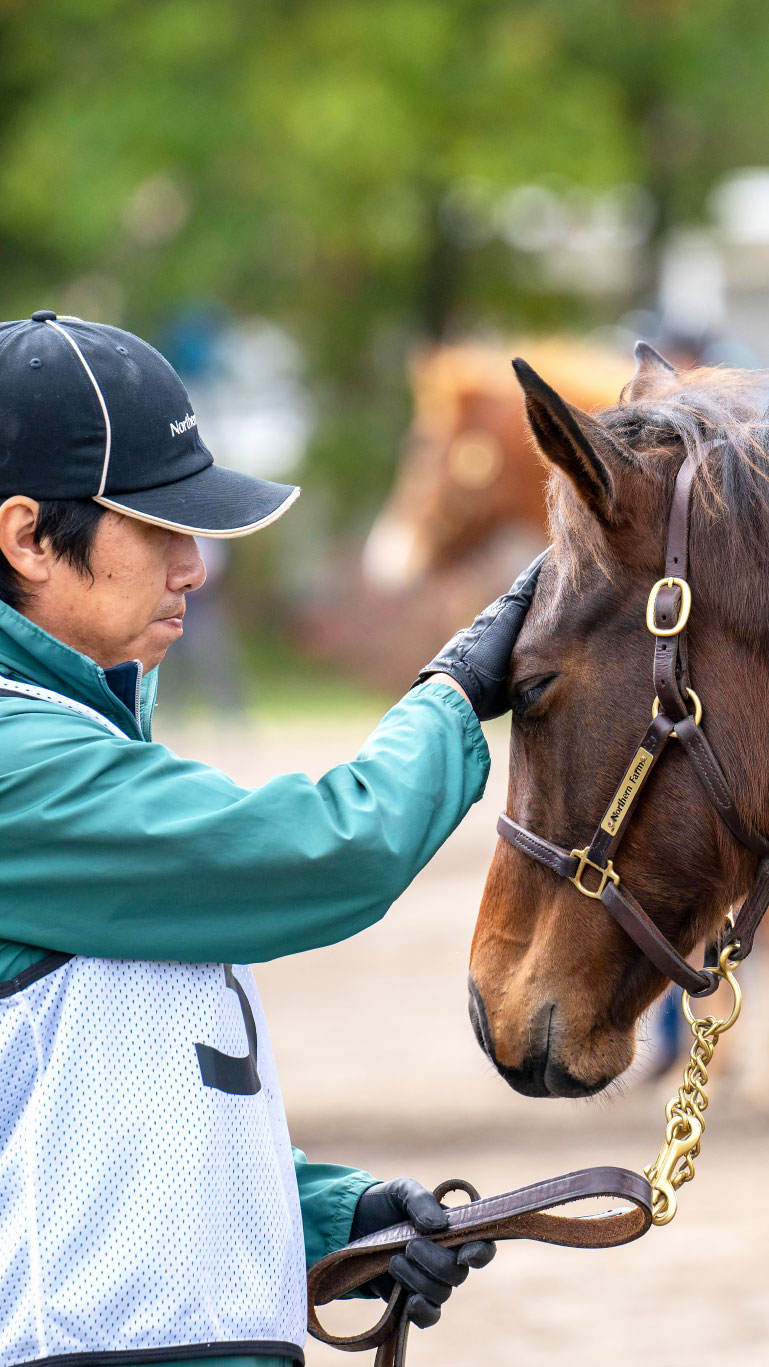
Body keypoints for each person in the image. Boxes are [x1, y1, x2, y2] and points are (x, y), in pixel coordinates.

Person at [0, 311, 544, 1367]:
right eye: (158, 527)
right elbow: (319, 850)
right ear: (23, 534)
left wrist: (328, 1216)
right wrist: (451, 692)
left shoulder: (65, 732)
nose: (195, 567)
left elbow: (111, 1096)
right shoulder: (18, 760)